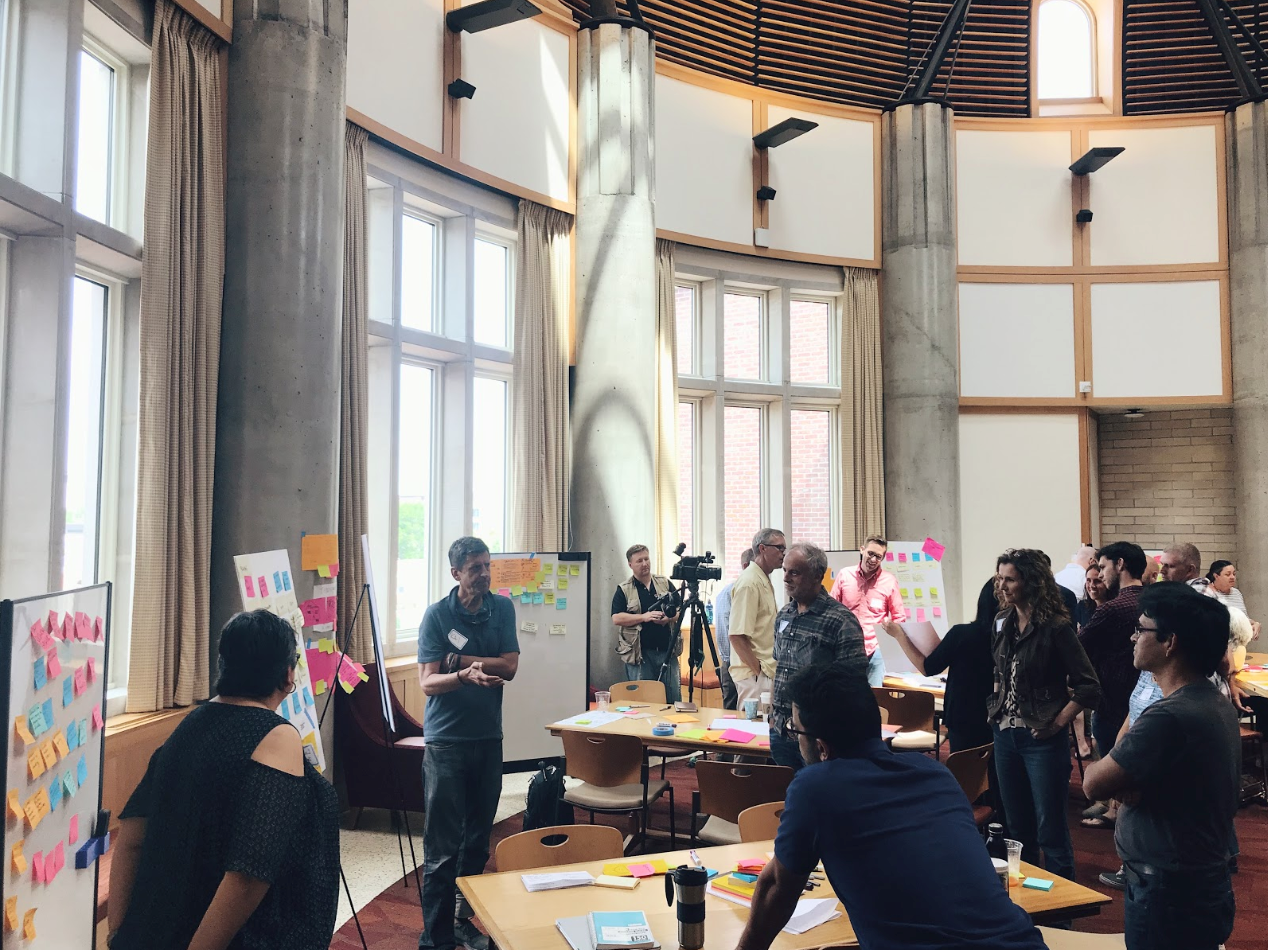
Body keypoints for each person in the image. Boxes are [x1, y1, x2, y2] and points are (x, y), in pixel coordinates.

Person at [733, 663, 1046, 950]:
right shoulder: (935, 773)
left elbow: (777, 886)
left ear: (821, 747)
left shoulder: (815, 787)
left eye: (795, 730)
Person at [107, 610, 340, 950]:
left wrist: (118, 935)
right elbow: (247, 878)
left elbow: (130, 839)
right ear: (288, 675)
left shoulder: (191, 724)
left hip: (156, 927)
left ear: (224, 664)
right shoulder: (276, 736)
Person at [1083, 583, 1239, 950]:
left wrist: (1117, 777)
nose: (1133, 638)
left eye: (1141, 629)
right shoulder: (1211, 701)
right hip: (1198, 880)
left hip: (1169, 890)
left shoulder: (1168, 717)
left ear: (1170, 642)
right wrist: (1128, 781)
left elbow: (1092, 783)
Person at [417, 537, 520, 950]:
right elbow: (427, 682)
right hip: (446, 743)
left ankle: (461, 922)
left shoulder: (503, 608)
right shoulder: (437, 615)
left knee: (477, 841)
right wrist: (461, 676)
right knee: (442, 849)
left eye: (487, 566)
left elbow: (510, 666)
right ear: (456, 573)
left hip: (487, 739)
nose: (484, 574)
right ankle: (436, 937)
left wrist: (457, 661)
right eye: (475, 568)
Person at [989, 548, 1100, 882]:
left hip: (1041, 739)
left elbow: (1089, 687)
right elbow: (998, 672)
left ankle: (1060, 910)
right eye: (1000, 578)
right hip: (1005, 735)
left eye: (1010, 579)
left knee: (1049, 828)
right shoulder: (1002, 622)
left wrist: (1058, 723)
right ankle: (1026, 901)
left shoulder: (1056, 628)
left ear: (1030, 582)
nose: (1002, 586)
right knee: (1016, 828)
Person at [769, 542, 866, 771]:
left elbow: (854, 684)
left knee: (819, 798)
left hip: (819, 735)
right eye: (784, 570)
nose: (786, 578)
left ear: (817, 576)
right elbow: (778, 668)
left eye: (794, 572)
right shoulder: (784, 615)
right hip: (782, 730)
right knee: (784, 801)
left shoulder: (841, 620)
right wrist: (772, 715)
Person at [883, 577, 998, 752]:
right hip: (997, 716)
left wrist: (900, 635)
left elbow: (927, 668)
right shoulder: (1010, 637)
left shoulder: (961, 634)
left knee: (965, 769)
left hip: (963, 716)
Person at [1079, 542, 1147, 768]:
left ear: (1120, 564)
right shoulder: (1154, 601)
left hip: (1112, 702)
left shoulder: (1112, 608)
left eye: (1103, 567)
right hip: (1146, 698)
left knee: (1114, 774)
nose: (1099, 573)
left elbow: (1077, 648)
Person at [829, 535, 907, 686]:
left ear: (883, 558)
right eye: (870, 553)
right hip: (846, 648)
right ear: (862, 550)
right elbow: (831, 610)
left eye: (878, 557)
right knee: (847, 697)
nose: (873, 560)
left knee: (875, 699)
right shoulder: (845, 575)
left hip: (876, 650)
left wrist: (891, 642)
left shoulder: (889, 581)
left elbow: (899, 617)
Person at [611, 543, 681, 701]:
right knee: (644, 701)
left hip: (667, 652)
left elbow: (680, 609)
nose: (645, 564)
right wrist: (644, 617)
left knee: (672, 699)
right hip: (640, 655)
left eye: (647, 559)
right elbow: (616, 618)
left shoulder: (664, 583)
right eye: (639, 561)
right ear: (630, 564)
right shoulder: (624, 589)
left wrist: (669, 618)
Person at [728, 528, 785, 708]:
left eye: (785, 548)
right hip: (754, 676)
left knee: (766, 732)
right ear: (762, 549)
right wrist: (758, 672)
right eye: (779, 548)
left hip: (765, 671)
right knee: (754, 732)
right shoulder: (749, 582)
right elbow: (737, 635)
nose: (783, 553)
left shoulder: (763, 578)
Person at [711, 548, 753, 710]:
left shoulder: (758, 589)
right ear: (745, 566)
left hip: (748, 661)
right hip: (736, 662)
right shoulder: (730, 592)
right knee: (732, 710)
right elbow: (726, 632)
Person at [1076, 563, 1109, 628]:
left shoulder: (1114, 608)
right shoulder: (1082, 607)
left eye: (1097, 581)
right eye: (1088, 580)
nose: (1092, 585)